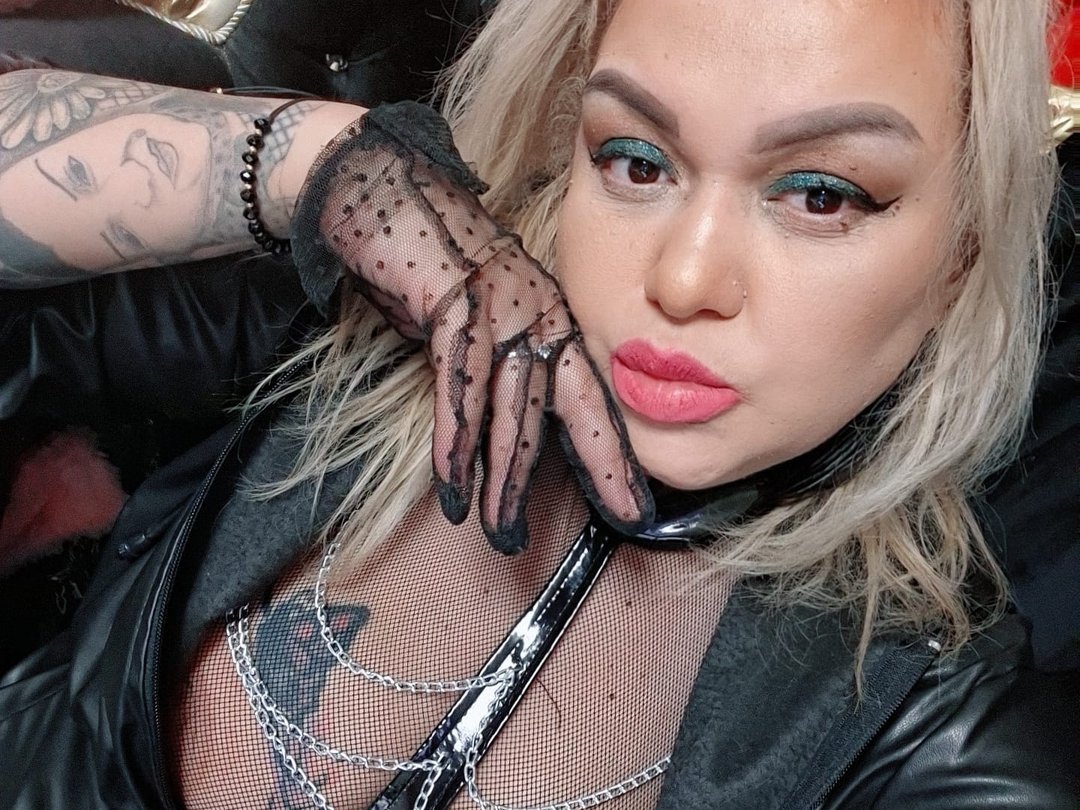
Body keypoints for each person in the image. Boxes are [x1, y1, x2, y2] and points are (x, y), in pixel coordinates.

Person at [0, 1, 1078, 809]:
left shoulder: (937, 742)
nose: (685, 278)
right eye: (637, 161)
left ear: (959, 256)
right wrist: (323, 164)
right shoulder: (362, 332)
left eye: (820, 193)